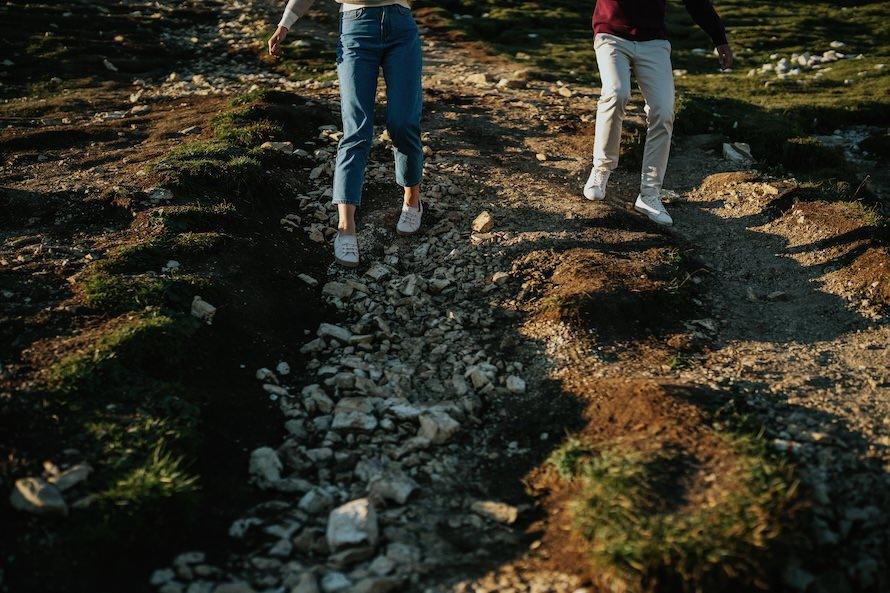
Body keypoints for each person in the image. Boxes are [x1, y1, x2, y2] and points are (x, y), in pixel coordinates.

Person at [268, 1, 422, 267]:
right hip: (355, 26)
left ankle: (412, 199)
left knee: (403, 123)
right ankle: (345, 225)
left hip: (401, 26)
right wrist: (284, 24)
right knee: (356, 130)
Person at [583, 0, 733, 225]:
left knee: (663, 112)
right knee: (616, 93)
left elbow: (697, 2)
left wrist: (719, 38)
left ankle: (649, 194)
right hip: (610, 34)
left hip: (654, 42)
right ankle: (601, 169)